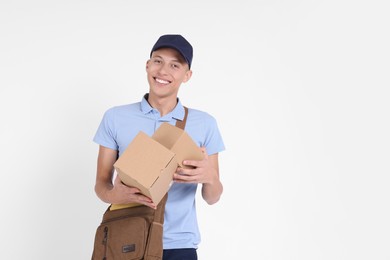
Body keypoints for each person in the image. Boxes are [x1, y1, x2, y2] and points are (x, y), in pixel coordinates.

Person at [93, 34, 225, 260]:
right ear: (147, 65)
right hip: (128, 238)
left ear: (187, 75)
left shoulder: (204, 123)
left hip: (179, 245)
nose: (163, 71)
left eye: (175, 65)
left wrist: (210, 178)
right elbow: (101, 186)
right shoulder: (115, 117)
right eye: (158, 61)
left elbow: (212, 197)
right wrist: (116, 194)